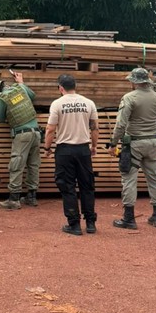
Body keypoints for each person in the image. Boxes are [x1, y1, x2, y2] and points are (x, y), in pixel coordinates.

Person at [109, 68, 156, 229]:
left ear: (134, 81)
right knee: (154, 178)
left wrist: (113, 143)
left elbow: (120, 124)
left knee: (129, 179)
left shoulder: (129, 98)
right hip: (153, 143)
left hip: (133, 143)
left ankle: (129, 218)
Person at [43, 74, 99, 235]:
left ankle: (74, 224)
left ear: (61, 88)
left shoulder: (57, 104)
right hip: (83, 149)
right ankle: (90, 223)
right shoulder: (88, 103)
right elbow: (95, 127)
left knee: (67, 186)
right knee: (87, 186)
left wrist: (47, 148)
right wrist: (94, 146)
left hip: (65, 150)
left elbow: (50, 129)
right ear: (75, 86)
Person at [0, 72, 41, 210]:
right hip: (36, 132)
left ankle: (14, 199)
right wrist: (21, 82)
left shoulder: (2, 98)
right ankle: (32, 197)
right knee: (33, 165)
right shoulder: (20, 88)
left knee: (16, 165)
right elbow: (32, 95)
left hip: (22, 135)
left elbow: (0, 118)